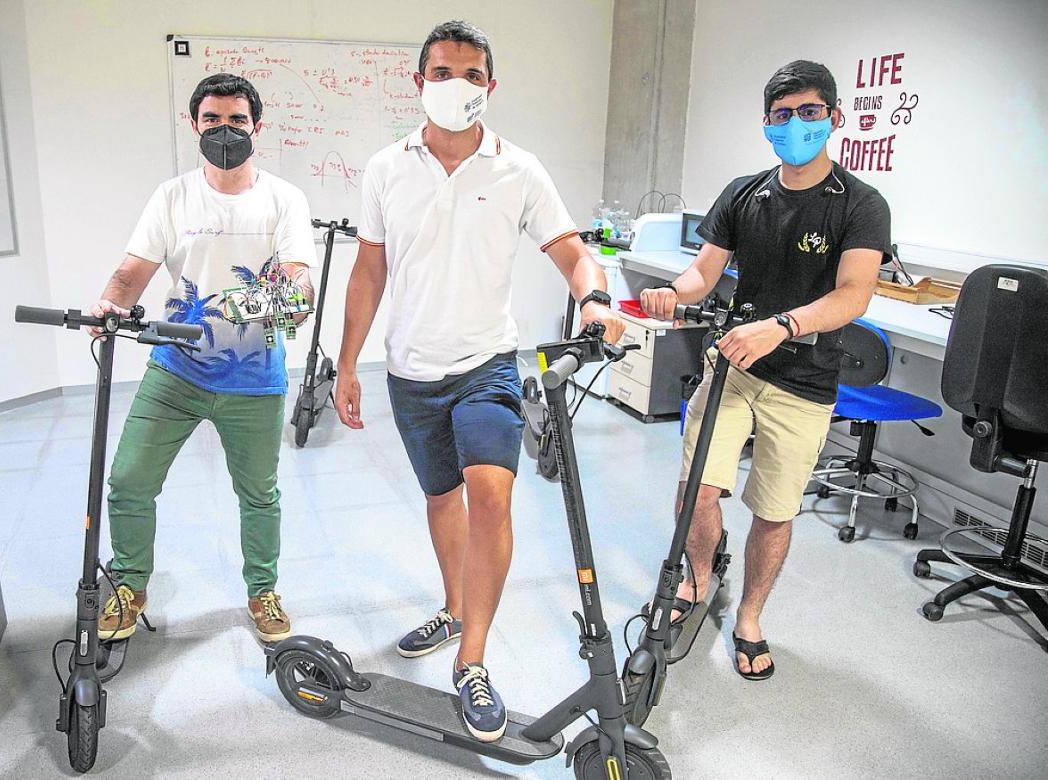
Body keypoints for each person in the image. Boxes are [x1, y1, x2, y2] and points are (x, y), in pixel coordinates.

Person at [334, 20, 625, 741]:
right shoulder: (385, 168)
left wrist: (594, 296)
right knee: (443, 499)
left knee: (490, 494)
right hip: (410, 370)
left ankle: (471, 663)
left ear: (490, 86)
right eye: (440, 72)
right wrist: (345, 364)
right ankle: (454, 604)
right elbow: (370, 270)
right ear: (418, 82)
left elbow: (570, 250)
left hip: (488, 364)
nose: (453, 85)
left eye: (469, 74)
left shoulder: (518, 168)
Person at [640, 60, 891, 681]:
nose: (796, 125)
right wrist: (675, 291)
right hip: (732, 368)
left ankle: (749, 616)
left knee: (774, 510)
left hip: (803, 380)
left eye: (809, 113)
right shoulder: (745, 192)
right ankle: (699, 581)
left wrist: (781, 327)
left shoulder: (861, 204)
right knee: (695, 484)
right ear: (767, 125)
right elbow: (704, 271)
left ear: (833, 118)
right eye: (782, 116)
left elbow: (853, 295)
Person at [88, 73, 316, 645]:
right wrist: (108, 307)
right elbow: (131, 273)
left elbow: (298, 286)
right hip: (176, 371)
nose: (224, 130)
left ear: (257, 129)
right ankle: (129, 583)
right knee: (129, 480)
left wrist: (276, 301)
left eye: (237, 120)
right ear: (194, 126)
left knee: (258, 494)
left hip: (255, 378)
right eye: (211, 120)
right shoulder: (173, 197)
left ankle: (262, 589)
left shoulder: (284, 199)